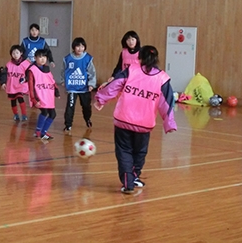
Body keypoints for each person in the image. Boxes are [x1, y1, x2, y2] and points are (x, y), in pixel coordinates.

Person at [94, 45, 177, 194]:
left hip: (123, 120)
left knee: (124, 151)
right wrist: (169, 122)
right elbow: (168, 101)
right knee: (140, 152)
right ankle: (133, 177)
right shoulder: (162, 78)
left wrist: (101, 98)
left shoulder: (131, 70)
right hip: (144, 124)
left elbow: (113, 86)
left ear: (140, 57)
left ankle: (129, 181)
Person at [62, 37, 96, 132]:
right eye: (78, 46)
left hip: (84, 87)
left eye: (82, 46)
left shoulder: (87, 58)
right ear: (74, 47)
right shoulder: (68, 59)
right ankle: (68, 124)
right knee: (70, 106)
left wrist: (91, 84)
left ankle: (87, 118)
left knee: (86, 106)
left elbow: (92, 72)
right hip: (72, 87)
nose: (80, 48)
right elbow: (63, 71)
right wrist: (63, 81)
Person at [26, 48, 60, 140]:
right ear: (35, 58)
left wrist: (56, 91)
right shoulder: (32, 70)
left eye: (44, 57)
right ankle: (38, 131)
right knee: (44, 112)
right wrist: (34, 99)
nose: (42, 59)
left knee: (52, 114)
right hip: (39, 96)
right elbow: (31, 86)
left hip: (47, 95)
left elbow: (51, 80)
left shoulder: (47, 68)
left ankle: (43, 132)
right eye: (40, 57)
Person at [0, 44, 30, 122]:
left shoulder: (26, 64)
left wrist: (25, 79)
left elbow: (30, 74)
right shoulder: (9, 64)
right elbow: (3, 74)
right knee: (13, 101)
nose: (15, 55)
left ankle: (24, 114)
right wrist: (3, 83)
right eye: (13, 53)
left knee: (20, 98)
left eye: (17, 53)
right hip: (11, 86)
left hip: (20, 86)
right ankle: (15, 114)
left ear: (21, 53)